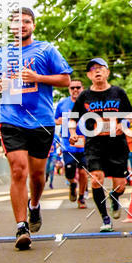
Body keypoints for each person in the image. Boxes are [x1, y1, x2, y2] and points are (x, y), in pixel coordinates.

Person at [0, 7, 72, 250]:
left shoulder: (46, 50)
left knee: (37, 175)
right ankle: (21, 226)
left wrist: (37, 78)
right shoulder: (2, 54)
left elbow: (65, 79)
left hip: (41, 120)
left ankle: (34, 205)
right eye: (17, 22)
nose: (21, 25)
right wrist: (0, 85)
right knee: (18, 170)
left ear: (33, 26)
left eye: (26, 21)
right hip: (11, 118)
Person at [69, 58, 132, 232]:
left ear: (107, 72)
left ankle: (115, 196)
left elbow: (130, 115)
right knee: (96, 179)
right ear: (89, 75)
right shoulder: (84, 96)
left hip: (117, 144)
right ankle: (105, 218)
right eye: (92, 69)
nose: (97, 71)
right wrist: (73, 133)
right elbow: (73, 118)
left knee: (120, 185)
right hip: (94, 144)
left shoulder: (118, 92)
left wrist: (123, 124)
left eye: (100, 68)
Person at [55, 80, 88, 208]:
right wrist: (60, 121)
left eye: (78, 87)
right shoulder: (62, 103)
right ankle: (73, 184)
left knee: (83, 172)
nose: (75, 90)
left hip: (84, 142)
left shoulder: (88, 103)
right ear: (69, 89)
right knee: (69, 170)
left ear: (82, 88)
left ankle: (81, 197)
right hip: (68, 143)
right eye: (72, 88)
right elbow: (55, 119)